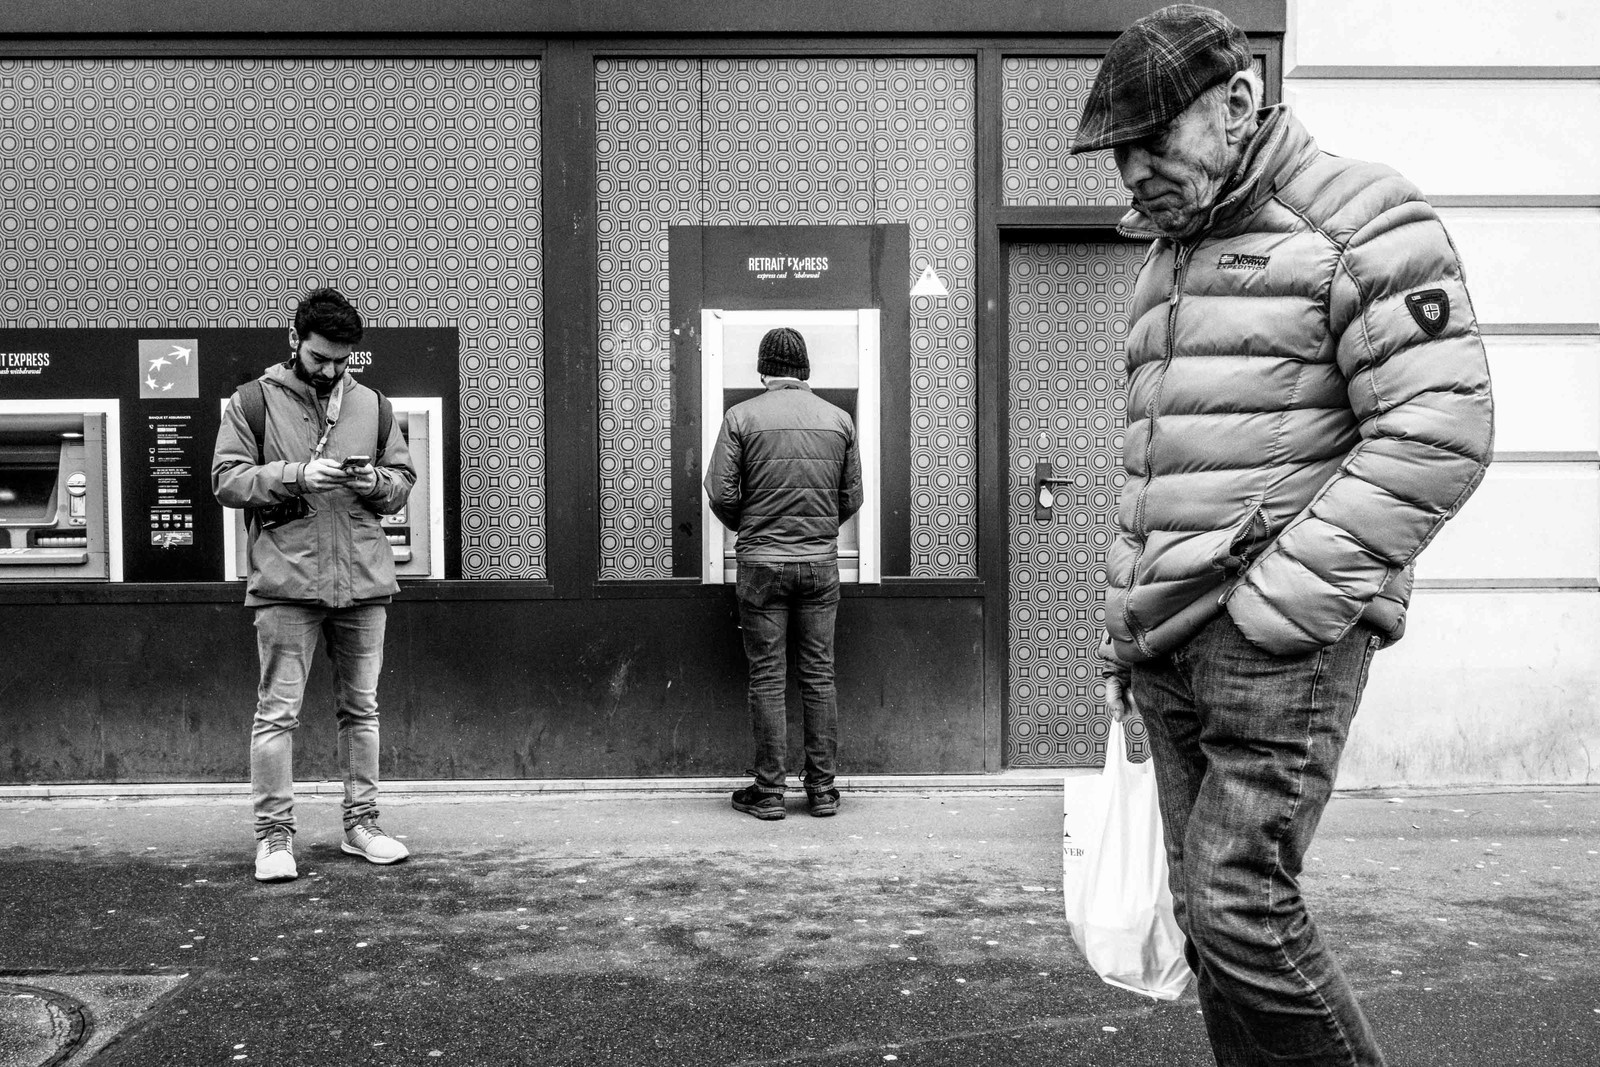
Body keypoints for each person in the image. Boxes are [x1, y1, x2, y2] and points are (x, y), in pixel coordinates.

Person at [1072, 6, 1494, 1066]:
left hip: (1274, 639)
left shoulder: (1361, 216)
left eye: (1151, 139)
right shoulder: (1167, 260)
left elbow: (1438, 428)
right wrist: (1125, 634)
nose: (1132, 171)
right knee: (1210, 924)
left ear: (1238, 102)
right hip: (1169, 642)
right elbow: (1156, 469)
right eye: (1118, 153)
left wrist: (1278, 601)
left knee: (1241, 907)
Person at [212, 287, 417, 882]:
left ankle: (363, 825)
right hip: (286, 581)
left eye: (341, 360)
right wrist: (297, 475)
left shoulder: (373, 405)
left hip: (362, 581)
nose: (330, 370)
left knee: (362, 710)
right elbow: (227, 481)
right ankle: (274, 839)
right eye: (320, 357)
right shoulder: (252, 402)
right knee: (277, 714)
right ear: (294, 341)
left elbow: (402, 482)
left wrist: (373, 482)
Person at [704, 327, 864, 820]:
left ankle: (769, 792)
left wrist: (752, 527)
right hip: (819, 566)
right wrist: (818, 531)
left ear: (763, 371)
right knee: (819, 675)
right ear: (805, 372)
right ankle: (823, 791)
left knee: (768, 677)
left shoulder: (741, 416)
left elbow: (720, 492)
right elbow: (852, 497)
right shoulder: (839, 420)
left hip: (761, 567)